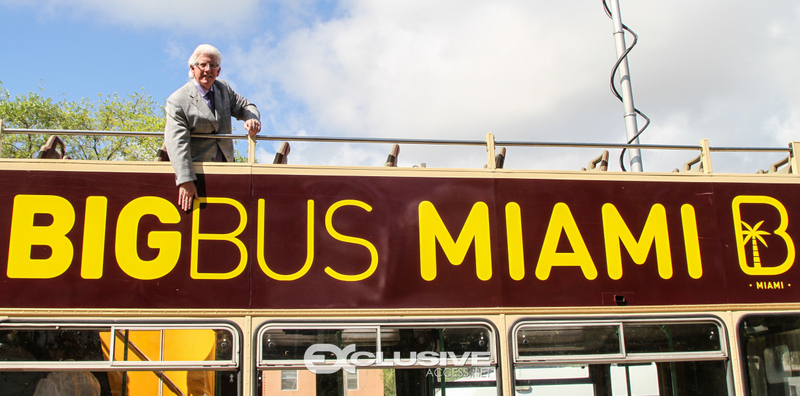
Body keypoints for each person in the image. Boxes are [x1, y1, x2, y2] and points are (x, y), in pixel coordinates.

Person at [164, 44, 261, 211]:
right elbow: (176, 143)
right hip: (197, 174)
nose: (208, 69)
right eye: (203, 64)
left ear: (219, 70)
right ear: (192, 68)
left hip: (226, 171)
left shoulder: (223, 89)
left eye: (213, 65)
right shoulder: (177, 100)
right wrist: (186, 180)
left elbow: (247, 106)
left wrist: (251, 119)